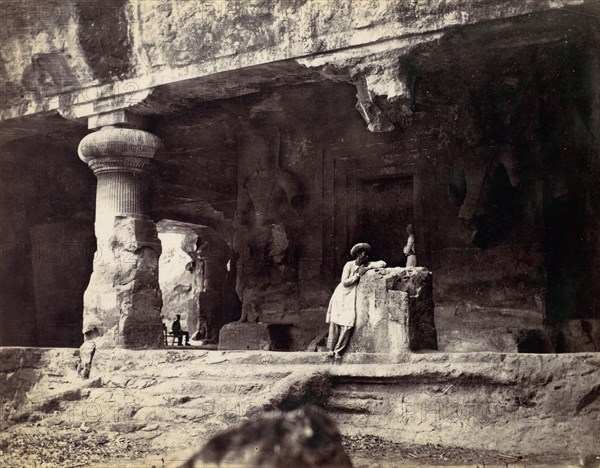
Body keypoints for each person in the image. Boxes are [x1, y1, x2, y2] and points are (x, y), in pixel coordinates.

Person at [325, 243, 386, 359]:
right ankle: (331, 349)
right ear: (358, 254)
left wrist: (368, 267)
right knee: (335, 322)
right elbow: (344, 282)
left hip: (350, 297)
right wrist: (357, 275)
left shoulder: (366, 264)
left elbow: (382, 263)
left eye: (367, 255)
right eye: (364, 254)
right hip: (341, 294)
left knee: (348, 323)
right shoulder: (349, 265)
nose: (366, 257)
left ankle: (338, 350)